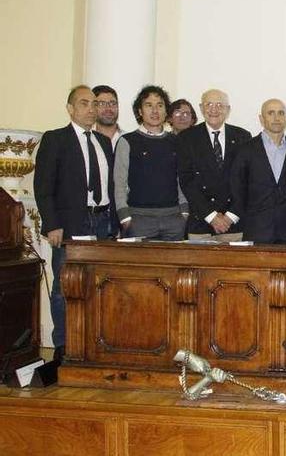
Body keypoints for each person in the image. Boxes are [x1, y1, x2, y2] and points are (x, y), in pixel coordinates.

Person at [34, 85, 116, 360]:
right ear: (70, 108)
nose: (92, 109)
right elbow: (43, 187)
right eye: (84, 103)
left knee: (99, 285)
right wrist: (52, 224)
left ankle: (93, 344)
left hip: (102, 221)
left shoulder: (103, 142)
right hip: (71, 224)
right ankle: (63, 346)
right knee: (64, 286)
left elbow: (111, 186)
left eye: (94, 104)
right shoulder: (56, 139)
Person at [113, 85, 188, 241]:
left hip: (174, 219)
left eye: (160, 105)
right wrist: (125, 218)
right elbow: (119, 182)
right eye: (149, 105)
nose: (155, 111)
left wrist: (184, 213)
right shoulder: (127, 141)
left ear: (166, 111)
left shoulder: (177, 142)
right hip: (138, 219)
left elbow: (182, 180)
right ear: (140, 111)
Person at [177, 88, 251, 241]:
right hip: (201, 221)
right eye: (209, 104)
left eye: (219, 105)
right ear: (201, 108)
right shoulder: (187, 138)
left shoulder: (243, 137)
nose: (214, 110)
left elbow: (247, 181)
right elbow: (187, 181)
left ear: (228, 109)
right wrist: (212, 217)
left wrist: (230, 217)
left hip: (233, 224)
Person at [229, 98, 286, 244]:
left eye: (281, 113)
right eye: (271, 113)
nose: (277, 118)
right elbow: (237, 189)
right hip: (256, 230)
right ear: (261, 118)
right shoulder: (245, 149)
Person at [92, 85, 123, 151]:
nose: (108, 108)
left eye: (112, 103)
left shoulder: (128, 139)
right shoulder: (87, 139)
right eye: (102, 104)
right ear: (93, 107)